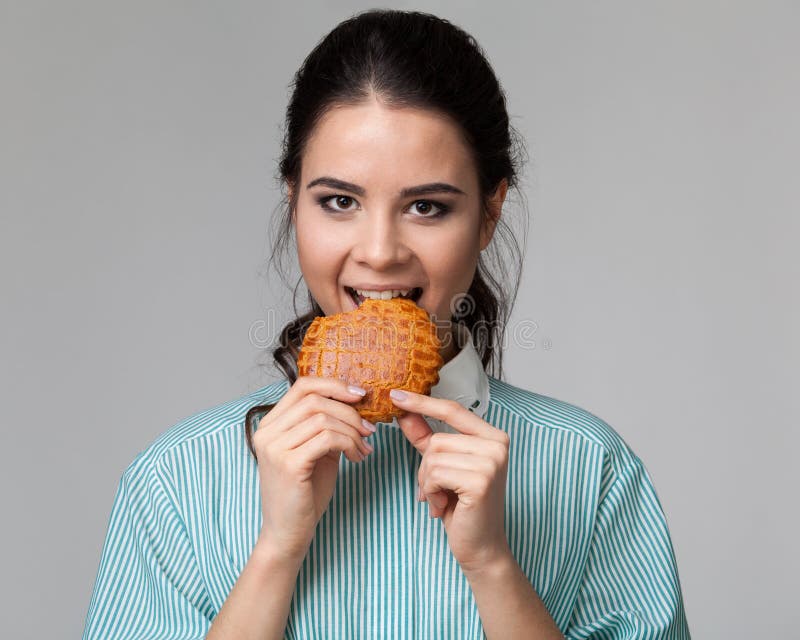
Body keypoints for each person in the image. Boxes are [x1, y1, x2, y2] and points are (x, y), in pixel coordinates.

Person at [82, 9, 690, 640]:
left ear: (489, 213)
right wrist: (276, 551)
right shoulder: (178, 479)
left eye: (426, 206)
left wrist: (491, 566)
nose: (379, 252)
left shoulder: (589, 468)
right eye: (339, 201)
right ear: (294, 202)